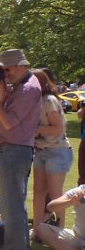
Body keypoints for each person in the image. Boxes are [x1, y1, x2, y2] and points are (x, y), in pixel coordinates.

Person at [0, 49, 42, 250]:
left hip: (14, 150)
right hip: (11, 149)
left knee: (12, 206)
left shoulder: (28, 88)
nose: (5, 73)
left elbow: (8, 122)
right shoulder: (21, 84)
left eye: (7, 69)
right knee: (11, 205)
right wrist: (1, 89)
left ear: (21, 66)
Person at [31, 68, 73, 228]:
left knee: (55, 194)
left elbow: (58, 128)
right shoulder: (33, 100)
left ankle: (61, 229)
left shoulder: (48, 100)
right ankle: (37, 227)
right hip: (41, 151)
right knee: (38, 191)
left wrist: (37, 130)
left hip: (57, 151)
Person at [34, 184, 85, 250]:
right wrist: (70, 201)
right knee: (40, 228)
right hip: (77, 237)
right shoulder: (81, 190)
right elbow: (50, 206)